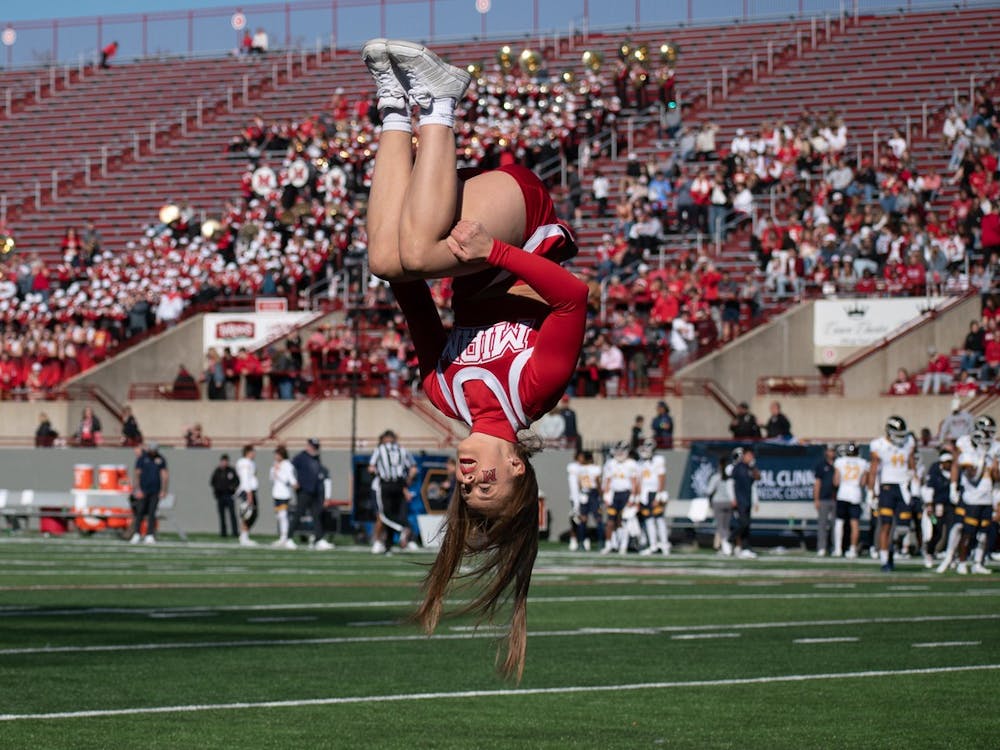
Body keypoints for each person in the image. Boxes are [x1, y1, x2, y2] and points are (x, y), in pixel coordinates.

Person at [361, 39, 587, 680]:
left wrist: (396, 225)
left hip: (453, 227)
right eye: (488, 485)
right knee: (420, 252)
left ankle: (395, 108)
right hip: (521, 220)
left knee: (390, 260)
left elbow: (404, 288)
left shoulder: (443, 392)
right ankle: (440, 98)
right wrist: (498, 251)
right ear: (517, 464)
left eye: (466, 491)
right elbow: (573, 298)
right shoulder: (535, 390)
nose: (469, 478)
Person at [869, 416, 917, 572]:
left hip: (903, 487)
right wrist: (872, 492)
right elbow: (874, 470)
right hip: (887, 487)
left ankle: (892, 548)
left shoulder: (908, 442)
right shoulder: (879, 445)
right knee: (886, 525)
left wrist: (915, 483)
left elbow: (911, 464)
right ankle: (884, 560)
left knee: (904, 526)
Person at [369, 429, 419, 553]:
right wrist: (406, 483)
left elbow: (371, 468)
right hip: (399, 485)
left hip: (384, 485)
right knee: (395, 514)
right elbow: (413, 469)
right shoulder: (402, 450)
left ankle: (399, 531)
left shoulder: (380, 450)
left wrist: (379, 474)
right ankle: (388, 543)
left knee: (384, 515)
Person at [289, 439, 332, 550]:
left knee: (317, 516)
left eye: (316, 447)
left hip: (315, 492)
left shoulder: (316, 458)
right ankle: (288, 537)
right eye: (313, 446)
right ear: (308, 446)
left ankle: (319, 539)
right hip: (304, 491)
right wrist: (293, 481)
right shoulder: (301, 457)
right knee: (299, 514)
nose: (315, 449)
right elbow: (289, 468)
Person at [601, 441, 639, 555]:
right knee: (610, 521)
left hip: (626, 494)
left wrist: (633, 497)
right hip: (614, 494)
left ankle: (623, 545)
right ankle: (609, 544)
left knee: (624, 521)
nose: (620, 453)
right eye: (618, 450)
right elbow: (607, 480)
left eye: (622, 450)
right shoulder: (610, 463)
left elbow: (635, 482)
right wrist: (606, 495)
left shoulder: (632, 464)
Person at [832, 442, 870, 559]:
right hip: (855, 494)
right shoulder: (863, 463)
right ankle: (852, 549)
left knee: (839, 522)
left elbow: (836, 481)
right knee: (854, 524)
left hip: (843, 493)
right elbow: (863, 482)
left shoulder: (840, 461)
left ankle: (838, 549)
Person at [129, 442, 168, 544]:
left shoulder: (160, 459)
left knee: (152, 513)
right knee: (140, 512)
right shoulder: (142, 458)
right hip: (143, 490)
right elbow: (137, 474)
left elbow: (164, 475)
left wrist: (163, 490)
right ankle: (136, 534)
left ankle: (150, 534)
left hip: (155, 491)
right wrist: (137, 489)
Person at [636, 439, 670, 555]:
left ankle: (665, 545)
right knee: (648, 520)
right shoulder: (640, 463)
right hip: (645, 494)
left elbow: (661, 477)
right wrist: (638, 497)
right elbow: (640, 481)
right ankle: (653, 545)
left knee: (659, 519)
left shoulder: (658, 460)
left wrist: (659, 494)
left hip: (655, 492)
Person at [566, 450, 603, 551]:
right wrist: (601, 495)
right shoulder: (595, 468)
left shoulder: (579, 469)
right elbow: (597, 482)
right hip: (593, 494)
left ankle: (582, 542)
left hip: (583, 494)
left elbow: (577, 483)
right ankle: (600, 542)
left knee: (583, 519)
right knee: (597, 519)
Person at [728, 447, 760, 558]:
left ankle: (746, 547)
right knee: (743, 523)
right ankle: (731, 538)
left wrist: (755, 501)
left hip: (747, 500)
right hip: (740, 500)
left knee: (747, 525)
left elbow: (757, 479)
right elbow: (730, 483)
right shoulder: (737, 468)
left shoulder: (750, 468)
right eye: (749, 455)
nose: (751, 458)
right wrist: (733, 498)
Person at [269, 445, 297, 547]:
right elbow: (271, 478)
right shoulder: (275, 464)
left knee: (283, 516)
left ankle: (285, 537)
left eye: (277, 454)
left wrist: (278, 472)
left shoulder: (287, 465)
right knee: (279, 516)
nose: (275, 457)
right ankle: (282, 537)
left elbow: (287, 480)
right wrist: (274, 471)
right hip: (276, 493)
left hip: (284, 494)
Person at [706, 455, 735, 555]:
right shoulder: (731, 478)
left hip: (718, 502)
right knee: (726, 526)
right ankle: (725, 545)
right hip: (729, 502)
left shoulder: (716, 477)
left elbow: (709, 491)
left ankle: (725, 544)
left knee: (720, 526)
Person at [813, 445, 837, 557]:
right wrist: (816, 499)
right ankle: (822, 547)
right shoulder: (821, 465)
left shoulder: (839, 464)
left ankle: (834, 547)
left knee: (836, 525)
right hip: (824, 498)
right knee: (822, 524)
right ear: (826, 452)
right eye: (830, 450)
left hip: (836, 498)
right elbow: (817, 483)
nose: (831, 453)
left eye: (833, 450)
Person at [210, 454, 240, 539]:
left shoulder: (231, 470)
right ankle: (223, 533)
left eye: (226, 461)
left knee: (232, 515)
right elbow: (212, 482)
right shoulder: (217, 471)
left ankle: (235, 532)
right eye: (223, 461)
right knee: (222, 515)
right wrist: (216, 491)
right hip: (220, 496)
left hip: (229, 495)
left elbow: (237, 481)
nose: (224, 463)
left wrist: (232, 487)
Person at [235, 444, 259, 547]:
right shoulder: (244, 462)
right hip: (247, 491)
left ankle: (244, 535)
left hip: (250, 490)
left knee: (252, 514)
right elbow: (245, 478)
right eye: (252, 452)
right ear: (248, 452)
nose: (254, 454)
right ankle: (244, 537)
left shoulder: (251, 463)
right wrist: (249, 493)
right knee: (247, 514)